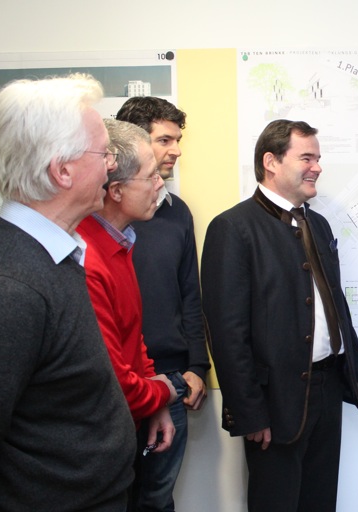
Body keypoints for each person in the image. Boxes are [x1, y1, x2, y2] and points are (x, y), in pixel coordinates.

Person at [201, 119, 358, 512]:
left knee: (320, 502)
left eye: (318, 158)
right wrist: (249, 412)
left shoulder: (318, 223)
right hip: (274, 401)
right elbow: (226, 334)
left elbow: (335, 304)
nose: (317, 167)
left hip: (328, 387)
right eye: (307, 158)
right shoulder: (232, 228)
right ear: (271, 162)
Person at [0, 74, 136, 510]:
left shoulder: (56, 254)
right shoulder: (10, 287)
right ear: (62, 170)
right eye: (103, 153)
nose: (111, 165)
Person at [116, 97, 209, 512]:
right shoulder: (99, 214)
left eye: (178, 140)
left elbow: (190, 294)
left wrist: (197, 366)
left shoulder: (177, 213)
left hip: (171, 380)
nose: (176, 150)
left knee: (156, 499)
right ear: (134, 143)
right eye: (165, 140)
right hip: (114, 382)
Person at [76, 120, 178, 481]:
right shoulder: (87, 258)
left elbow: (132, 336)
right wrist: (163, 392)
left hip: (127, 425)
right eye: (150, 177)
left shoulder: (119, 241)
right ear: (116, 191)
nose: (160, 184)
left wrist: (154, 402)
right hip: (97, 443)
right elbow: (114, 380)